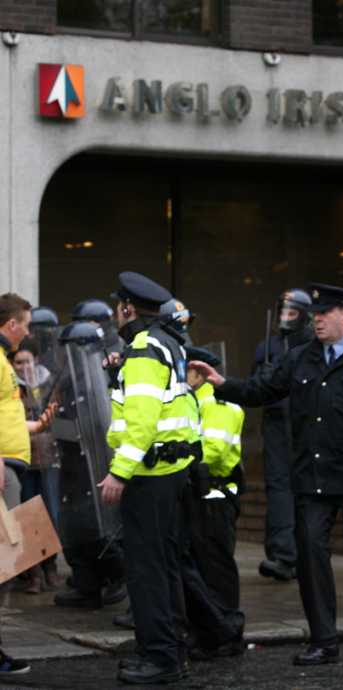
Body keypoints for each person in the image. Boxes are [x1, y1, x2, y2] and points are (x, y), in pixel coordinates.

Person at [189, 283, 343, 666]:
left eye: (325, 314)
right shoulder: (300, 358)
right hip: (313, 480)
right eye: (315, 315)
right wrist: (223, 384)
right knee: (311, 558)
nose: (318, 320)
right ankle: (324, 642)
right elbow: (263, 388)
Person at [99, 271, 201, 685]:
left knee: (146, 570)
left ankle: (160, 658)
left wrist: (118, 473)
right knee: (164, 566)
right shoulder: (167, 343)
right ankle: (171, 650)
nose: (113, 316)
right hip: (171, 471)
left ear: (127, 308)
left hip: (148, 474)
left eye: (115, 309)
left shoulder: (143, 350)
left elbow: (141, 422)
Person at [54, 298, 126, 610]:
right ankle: (86, 581)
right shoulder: (70, 370)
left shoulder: (108, 363)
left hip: (95, 452)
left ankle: (115, 576)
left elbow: (101, 413)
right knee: (75, 519)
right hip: (70, 455)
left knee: (99, 519)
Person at [0, 293, 54, 677]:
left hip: (10, 465)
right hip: (3, 469)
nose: (28, 332)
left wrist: (35, 425)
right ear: (12, 325)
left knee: (9, 561)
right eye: (26, 324)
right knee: (4, 560)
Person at [185, 345, 245, 657]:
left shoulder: (219, 401)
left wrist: (182, 462)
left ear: (198, 372)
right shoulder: (196, 400)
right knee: (202, 567)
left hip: (215, 497)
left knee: (216, 569)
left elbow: (215, 450)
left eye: (186, 370)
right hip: (202, 495)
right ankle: (210, 632)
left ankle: (227, 634)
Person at [254, 289, 313, 581]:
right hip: (277, 423)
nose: (285, 318)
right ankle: (282, 554)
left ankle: (304, 553)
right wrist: (261, 378)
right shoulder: (268, 346)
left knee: (304, 490)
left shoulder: (314, 346)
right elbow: (253, 389)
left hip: (305, 424)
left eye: (292, 313)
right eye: (283, 312)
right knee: (278, 488)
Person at [11, 338, 61, 593]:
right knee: (27, 515)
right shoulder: (12, 386)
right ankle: (34, 574)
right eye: (17, 362)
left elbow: (53, 415)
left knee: (50, 512)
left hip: (48, 456)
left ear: (36, 360)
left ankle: (50, 565)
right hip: (23, 457)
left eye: (26, 361)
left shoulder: (48, 382)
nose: (22, 367)